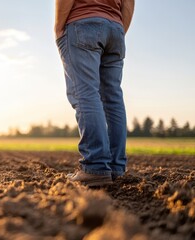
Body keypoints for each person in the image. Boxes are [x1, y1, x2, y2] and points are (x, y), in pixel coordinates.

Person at [55, 0, 135, 186]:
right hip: (115, 28)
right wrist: (118, 29)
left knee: (85, 93)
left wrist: (59, 28)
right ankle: (115, 167)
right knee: (113, 98)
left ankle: (96, 167)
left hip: (82, 23)